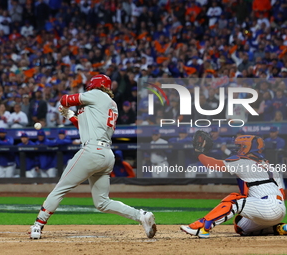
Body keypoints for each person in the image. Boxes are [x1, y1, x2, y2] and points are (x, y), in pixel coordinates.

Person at [30, 74, 156, 239]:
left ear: (95, 85)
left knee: (60, 188)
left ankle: (38, 225)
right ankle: (142, 215)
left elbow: (65, 99)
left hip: (91, 150)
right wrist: (69, 115)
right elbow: (84, 126)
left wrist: (65, 106)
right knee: (102, 202)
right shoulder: (107, 103)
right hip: (106, 155)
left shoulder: (97, 94)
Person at [181, 134, 286, 238]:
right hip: (280, 210)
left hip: (268, 206)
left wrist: (199, 153)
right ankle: (280, 228)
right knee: (240, 226)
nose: (238, 149)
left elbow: (213, 164)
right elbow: (282, 194)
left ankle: (202, 227)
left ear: (248, 148)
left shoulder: (242, 162)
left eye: (241, 146)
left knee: (233, 201)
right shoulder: (269, 166)